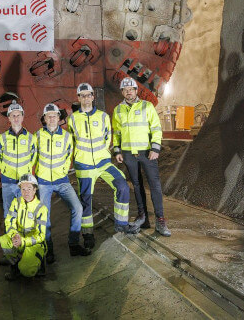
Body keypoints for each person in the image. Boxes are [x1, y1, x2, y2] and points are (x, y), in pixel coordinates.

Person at [67, 83, 137, 250]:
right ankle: (88, 234)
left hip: (103, 163)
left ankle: (121, 224)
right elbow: (71, 142)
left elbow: (108, 138)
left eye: (88, 95)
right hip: (83, 165)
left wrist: (102, 154)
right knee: (85, 200)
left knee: (122, 186)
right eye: (82, 95)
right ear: (78, 98)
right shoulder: (73, 119)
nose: (85, 98)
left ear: (93, 96)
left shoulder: (104, 116)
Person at [113, 77, 171, 236]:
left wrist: (155, 148)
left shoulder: (147, 106)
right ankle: (143, 217)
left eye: (131, 89)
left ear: (136, 90)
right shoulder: (118, 110)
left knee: (154, 186)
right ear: (122, 92)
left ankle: (160, 220)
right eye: (125, 90)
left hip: (147, 153)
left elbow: (156, 128)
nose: (128, 92)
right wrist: (117, 151)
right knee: (137, 186)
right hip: (128, 154)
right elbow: (116, 133)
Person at [34, 103, 91, 263]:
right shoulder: (37, 136)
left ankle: (73, 244)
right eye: (49, 116)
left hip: (62, 181)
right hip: (44, 182)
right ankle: (48, 248)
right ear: (44, 119)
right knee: (44, 216)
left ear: (59, 118)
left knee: (77, 208)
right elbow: (33, 157)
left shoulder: (66, 136)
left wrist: (63, 171)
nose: (52, 118)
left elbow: (68, 156)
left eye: (55, 116)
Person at [0, 174, 48, 280]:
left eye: (29, 189)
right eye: (23, 189)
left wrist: (24, 241)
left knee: (27, 271)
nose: (26, 192)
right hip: (19, 238)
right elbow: (9, 221)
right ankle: (15, 268)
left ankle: (38, 264)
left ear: (35, 189)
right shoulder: (16, 202)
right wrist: (14, 235)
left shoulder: (41, 208)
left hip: (34, 244)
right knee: (5, 241)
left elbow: (41, 235)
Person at [0, 100, 36, 215]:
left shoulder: (31, 138)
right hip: (8, 180)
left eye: (18, 115)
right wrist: (4, 169)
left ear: (22, 117)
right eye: (13, 115)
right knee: (8, 211)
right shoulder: (3, 138)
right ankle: (10, 233)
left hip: (24, 181)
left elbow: (33, 156)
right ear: (9, 118)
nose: (16, 118)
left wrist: (27, 169)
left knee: (24, 211)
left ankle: (22, 233)